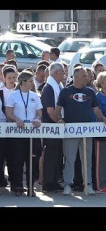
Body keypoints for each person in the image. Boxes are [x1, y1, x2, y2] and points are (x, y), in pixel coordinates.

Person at [54, 67, 106, 196]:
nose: (87, 78)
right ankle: (68, 184)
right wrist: (59, 120)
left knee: (87, 159)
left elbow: (96, 110)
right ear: (75, 76)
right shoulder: (65, 91)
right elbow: (57, 110)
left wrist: (103, 119)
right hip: (71, 130)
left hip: (87, 130)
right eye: (84, 76)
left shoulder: (90, 92)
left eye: (86, 76)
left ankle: (88, 184)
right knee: (69, 159)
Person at [5, 70, 42, 196]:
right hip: (18, 133)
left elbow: (39, 112)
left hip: (31, 133)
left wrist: (37, 119)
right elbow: (9, 113)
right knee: (17, 159)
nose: (33, 83)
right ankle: (17, 186)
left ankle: (31, 186)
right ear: (23, 82)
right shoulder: (13, 95)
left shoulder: (34, 95)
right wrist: (16, 119)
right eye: (30, 81)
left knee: (32, 160)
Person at [40, 62, 66, 193]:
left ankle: (55, 181)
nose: (64, 74)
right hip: (51, 126)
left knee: (58, 155)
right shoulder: (49, 88)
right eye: (62, 72)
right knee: (51, 154)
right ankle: (48, 182)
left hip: (58, 125)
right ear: (56, 73)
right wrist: (58, 121)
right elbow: (50, 110)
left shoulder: (59, 86)